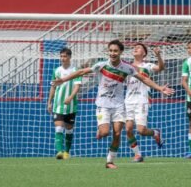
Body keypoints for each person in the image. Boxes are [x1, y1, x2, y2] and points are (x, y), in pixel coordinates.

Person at [52, 39, 174, 169]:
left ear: (120, 52)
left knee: (117, 133)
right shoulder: (102, 65)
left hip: (119, 106)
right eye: (110, 50)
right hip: (102, 105)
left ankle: (110, 161)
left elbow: (144, 78)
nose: (113, 53)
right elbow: (81, 72)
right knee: (105, 132)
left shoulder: (127, 68)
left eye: (115, 51)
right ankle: (101, 131)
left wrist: (160, 88)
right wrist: (63, 79)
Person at [125, 43, 165, 162]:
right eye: (135, 47)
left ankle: (155, 133)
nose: (135, 48)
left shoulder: (147, 65)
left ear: (144, 53)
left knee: (141, 130)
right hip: (128, 100)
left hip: (142, 100)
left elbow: (160, 68)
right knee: (128, 129)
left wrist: (158, 56)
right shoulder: (127, 66)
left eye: (139, 48)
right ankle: (137, 154)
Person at [47, 48, 82, 160]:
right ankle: (59, 152)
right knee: (58, 128)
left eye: (65, 56)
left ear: (70, 57)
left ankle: (67, 152)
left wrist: (70, 97)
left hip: (71, 105)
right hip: (58, 104)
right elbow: (53, 86)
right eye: (61, 56)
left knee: (69, 130)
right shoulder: (56, 70)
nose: (62, 58)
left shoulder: (75, 70)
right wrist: (49, 102)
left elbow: (77, 86)